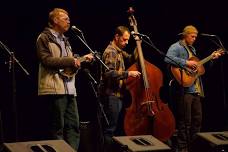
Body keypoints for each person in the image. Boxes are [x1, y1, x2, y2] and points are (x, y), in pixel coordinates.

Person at [36, 8, 94, 150]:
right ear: (55, 20)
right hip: (54, 88)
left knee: (74, 126)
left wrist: (79, 62)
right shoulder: (44, 38)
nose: (69, 21)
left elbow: (68, 66)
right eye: (65, 19)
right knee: (57, 128)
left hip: (69, 89)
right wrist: (70, 60)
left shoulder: (66, 40)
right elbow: (46, 60)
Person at [164, 25, 222, 152]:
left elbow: (199, 70)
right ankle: (183, 149)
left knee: (197, 121)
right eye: (192, 36)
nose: (194, 39)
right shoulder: (176, 47)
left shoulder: (193, 49)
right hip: (184, 90)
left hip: (195, 90)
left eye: (196, 37)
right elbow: (168, 58)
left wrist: (211, 59)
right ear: (185, 35)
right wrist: (187, 63)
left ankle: (194, 147)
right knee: (185, 122)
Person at [101, 25, 141, 151]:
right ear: (116, 37)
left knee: (113, 129)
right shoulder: (111, 51)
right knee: (109, 130)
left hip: (117, 96)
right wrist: (128, 74)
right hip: (111, 96)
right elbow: (109, 73)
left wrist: (138, 44)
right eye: (124, 39)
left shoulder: (118, 51)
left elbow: (130, 58)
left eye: (128, 40)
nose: (126, 42)